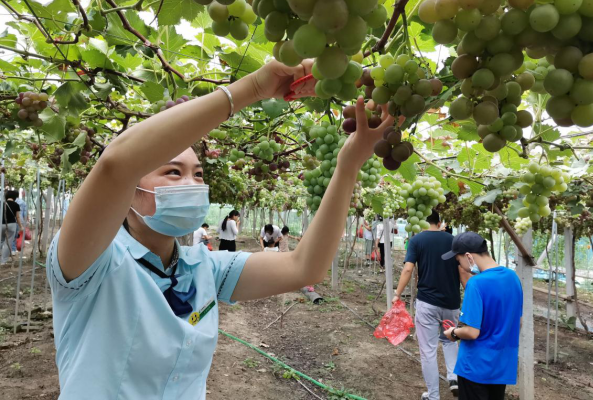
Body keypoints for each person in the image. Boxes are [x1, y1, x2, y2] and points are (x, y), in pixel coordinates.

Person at [46, 57, 396, 399]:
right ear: (129, 191)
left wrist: (348, 166)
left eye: (198, 173)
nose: (192, 183)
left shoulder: (203, 268)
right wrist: (252, 89)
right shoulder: (88, 264)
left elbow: (305, 266)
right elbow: (116, 163)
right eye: (172, 172)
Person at [391, 211, 470, 400]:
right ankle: (454, 378)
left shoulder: (417, 240)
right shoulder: (453, 240)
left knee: (428, 350)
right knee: (450, 339)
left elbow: (408, 268)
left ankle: (433, 395)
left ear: (420, 222)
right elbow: (463, 271)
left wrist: (397, 293)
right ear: (440, 222)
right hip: (451, 303)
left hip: (427, 303)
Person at [442, 232, 523, 400]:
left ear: (469, 256)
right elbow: (518, 322)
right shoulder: (512, 278)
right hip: (501, 365)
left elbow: (471, 332)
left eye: (459, 261)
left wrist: (453, 333)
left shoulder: (476, 283)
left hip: (475, 366)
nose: (462, 267)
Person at [1, 190, 23, 264]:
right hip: (12, 224)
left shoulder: (1, 204)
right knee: (8, 243)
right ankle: (3, 261)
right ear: (15, 197)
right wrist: (21, 226)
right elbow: (18, 217)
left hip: (1, 224)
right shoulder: (16, 205)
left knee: (1, 241)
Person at [12, 190, 28, 254]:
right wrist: (25, 221)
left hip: (12, 220)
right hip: (20, 220)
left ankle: (13, 249)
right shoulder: (23, 202)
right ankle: (16, 247)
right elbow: (25, 213)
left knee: (12, 234)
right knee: (17, 234)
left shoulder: (12, 202)